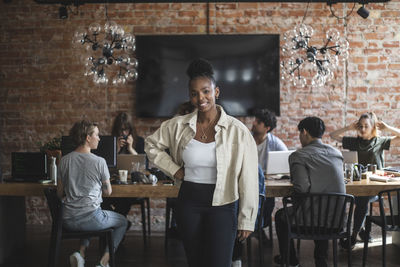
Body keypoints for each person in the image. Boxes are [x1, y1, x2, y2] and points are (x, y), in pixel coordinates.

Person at [145, 58, 259, 267]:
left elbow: (249, 178)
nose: (201, 98)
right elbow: (151, 146)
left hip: (224, 205)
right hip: (189, 202)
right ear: (189, 96)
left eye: (206, 91)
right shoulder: (177, 125)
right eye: (194, 93)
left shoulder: (238, 130)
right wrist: (175, 170)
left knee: (219, 262)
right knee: (196, 262)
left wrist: (247, 219)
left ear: (216, 92)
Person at [274, 117, 345, 267]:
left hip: (310, 222)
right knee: (324, 209)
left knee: (281, 215)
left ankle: (290, 261)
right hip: (336, 222)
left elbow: (301, 189)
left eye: (300, 133)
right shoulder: (336, 154)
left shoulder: (298, 155)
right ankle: (321, 261)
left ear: (304, 132)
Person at [57, 120, 128, 267]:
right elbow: (108, 191)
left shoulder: (64, 161)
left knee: (91, 212)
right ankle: (103, 262)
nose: (99, 138)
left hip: (68, 220)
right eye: (97, 135)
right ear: (88, 138)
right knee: (123, 222)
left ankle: (80, 254)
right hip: (91, 220)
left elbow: (59, 193)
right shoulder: (100, 162)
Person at [330, 112, 400, 247]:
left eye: (366, 126)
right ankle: (357, 230)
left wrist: (387, 128)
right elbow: (333, 135)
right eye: (360, 126)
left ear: (373, 127)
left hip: (374, 187)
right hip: (355, 184)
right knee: (344, 198)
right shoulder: (354, 141)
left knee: (362, 200)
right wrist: (348, 128)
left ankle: (353, 236)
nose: (362, 129)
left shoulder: (380, 142)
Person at [232, 109, 288, 267]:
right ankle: (254, 225)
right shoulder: (245, 139)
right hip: (244, 185)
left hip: (264, 187)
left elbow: (286, 164)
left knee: (262, 200)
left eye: (258, 122)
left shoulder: (275, 143)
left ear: (267, 128)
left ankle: (256, 223)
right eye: (255, 120)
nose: (253, 123)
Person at [102, 112, 146, 229]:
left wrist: (131, 149)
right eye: (120, 130)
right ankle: (121, 224)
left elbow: (143, 166)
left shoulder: (140, 141)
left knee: (124, 199)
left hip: (133, 187)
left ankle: (117, 227)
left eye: (126, 130)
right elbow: (104, 165)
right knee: (102, 200)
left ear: (131, 129)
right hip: (114, 185)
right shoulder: (111, 142)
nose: (123, 133)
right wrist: (116, 149)